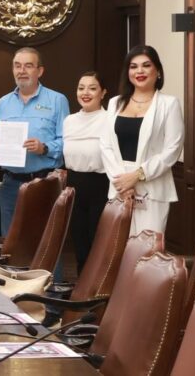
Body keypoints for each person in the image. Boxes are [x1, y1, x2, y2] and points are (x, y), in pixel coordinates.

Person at [100, 46, 184, 235]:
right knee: (118, 251)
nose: (139, 71)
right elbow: (105, 145)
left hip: (152, 189)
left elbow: (172, 149)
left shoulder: (169, 104)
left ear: (158, 71)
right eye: (133, 66)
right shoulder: (115, 102)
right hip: (119, 188)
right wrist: (122, 182)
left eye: (146, 65)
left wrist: (137, 175)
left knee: (147, 252)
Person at [0, 47, 68, 236]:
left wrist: (44, 148)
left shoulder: (57, 100)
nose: (21, 71)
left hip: (44, 183)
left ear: (40, 71)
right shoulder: (3, 103)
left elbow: (67, 142)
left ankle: (45, 269)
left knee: (46, 242)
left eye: (28, 66)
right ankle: (12, 269)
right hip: (10, 184)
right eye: (17, 66)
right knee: (11, 242)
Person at [63, 71, 112, 273]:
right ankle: (81, 288)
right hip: (74, 184)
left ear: (103, 93)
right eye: (81, 88)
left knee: (98, 241)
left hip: (100, 185)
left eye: (92, 88)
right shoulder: (69, 120)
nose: (86, 92)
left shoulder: (110, 119)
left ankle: (97, 290)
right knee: (79, 241)